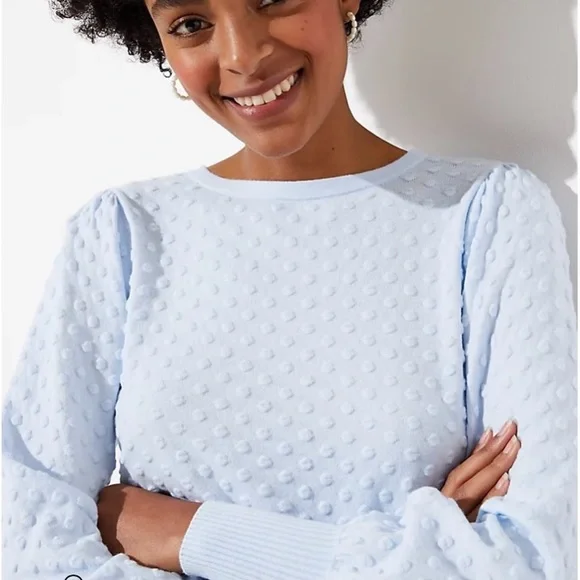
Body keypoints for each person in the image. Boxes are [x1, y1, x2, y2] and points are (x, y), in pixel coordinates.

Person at [2, 0, 576, 578]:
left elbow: (528, 559)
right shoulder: (122, 232)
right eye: (191, 24)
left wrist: (190, 534)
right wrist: (416, 553)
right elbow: (28, 546)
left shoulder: (487, 213)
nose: (242, 57)